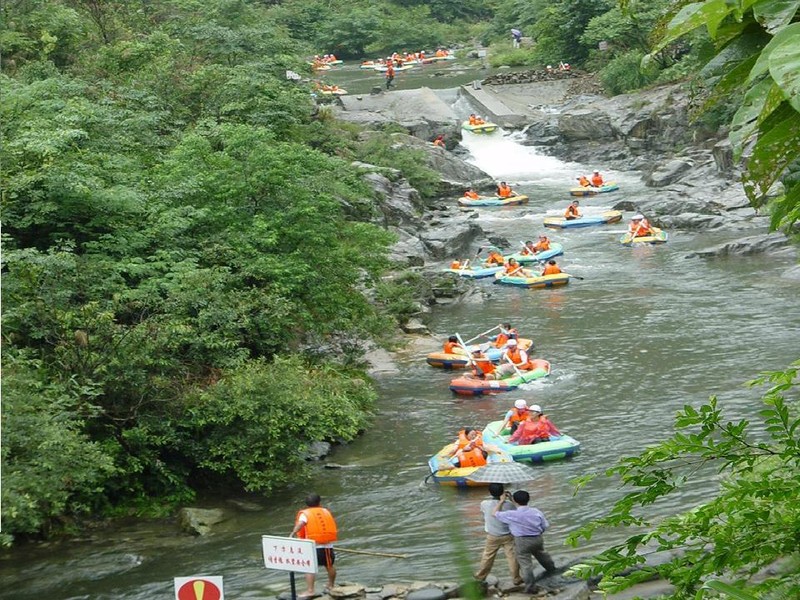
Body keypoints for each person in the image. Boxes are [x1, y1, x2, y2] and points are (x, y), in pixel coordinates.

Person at [492, 490, 557, 594]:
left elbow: (494, 513)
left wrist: (501, 501)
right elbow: (545, 525)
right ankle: (552, 570)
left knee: (526, 564)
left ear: (515, 501)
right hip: (537, 538)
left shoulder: (512, 514)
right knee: (542, 555)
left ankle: (530, 587)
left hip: (522, 540)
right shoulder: (536, 511)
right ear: (528, 499)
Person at [475, 483, 524, 586]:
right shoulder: (510, 505)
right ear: (503, 493)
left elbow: (487, 512)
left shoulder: (484, 504)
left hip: (493, 535)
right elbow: (519, 511)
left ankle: (481, 576)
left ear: (490, 492)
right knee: (512, 557)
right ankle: (516, 578)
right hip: (508, 535)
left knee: (488, 556)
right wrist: (511, 499)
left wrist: (500, 501)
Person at [290, 493, 338, 597]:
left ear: (307, 504)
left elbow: (300, 524)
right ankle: (331, 585)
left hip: (312, 546)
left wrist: (292, 534)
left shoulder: (305, 514)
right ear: (319, 502)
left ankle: (310, 590)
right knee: (329, 566)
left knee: (309, 568)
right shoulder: (325, 511)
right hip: (327, 546)